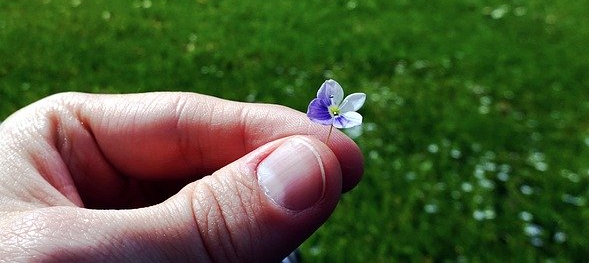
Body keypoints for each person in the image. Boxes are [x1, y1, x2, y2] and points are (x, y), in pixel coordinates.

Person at [0, 92, 364, 261]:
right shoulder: (323, 112)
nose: (334, 109)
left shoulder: (332, 114)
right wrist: (209, 232)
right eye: (332, 107)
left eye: (337, 108)